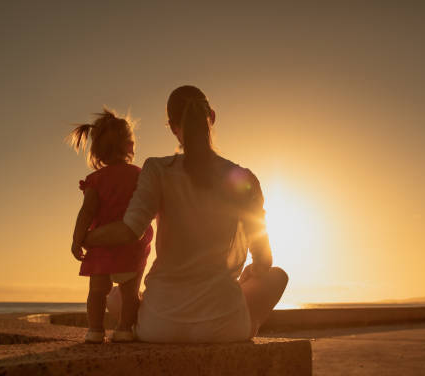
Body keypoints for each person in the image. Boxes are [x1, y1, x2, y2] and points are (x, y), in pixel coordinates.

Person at [83, 85, 288, 342]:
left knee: (116, 296)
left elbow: (129, 230)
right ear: (211, 117)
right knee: (278, 276)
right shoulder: (243, 178)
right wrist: (249, 272)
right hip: (223, 326)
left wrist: (84, 238)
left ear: (171, 125)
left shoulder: (156, 169)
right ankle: (245, 328)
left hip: (157, 327)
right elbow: (264, 260)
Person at [68, 109, 153, 343]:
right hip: (130, 244)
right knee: (129, 293)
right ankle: (125, 329)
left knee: (97, 292)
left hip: (101, 246)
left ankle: (95, 331)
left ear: (98, 152)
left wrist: (77, 239)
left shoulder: (95, 180)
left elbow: (87, 212)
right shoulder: (139, 175)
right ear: (129, 147)